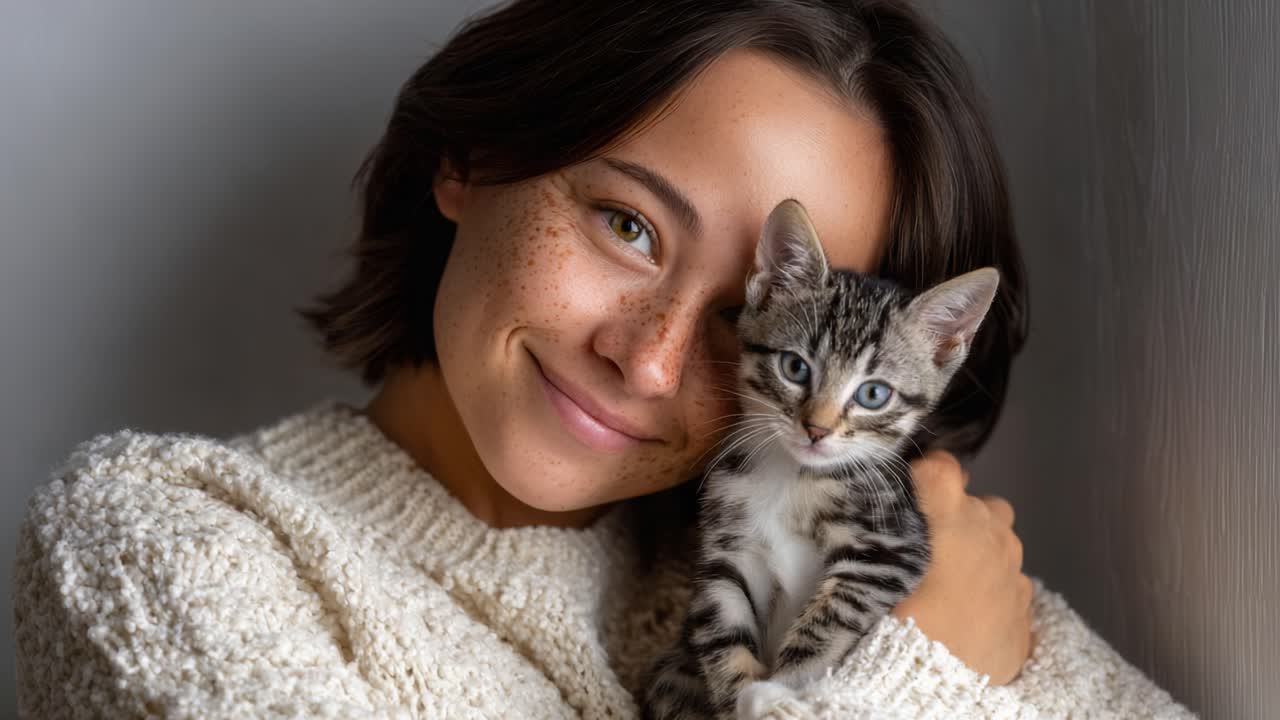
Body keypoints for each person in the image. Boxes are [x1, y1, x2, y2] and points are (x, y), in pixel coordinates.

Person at [13, 1, 1194, 717]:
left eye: (747, 316)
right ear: (472, 158)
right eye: (627, 225)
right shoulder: (160, 540)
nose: (649, 361)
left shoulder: (866, 559)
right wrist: (919, 679)